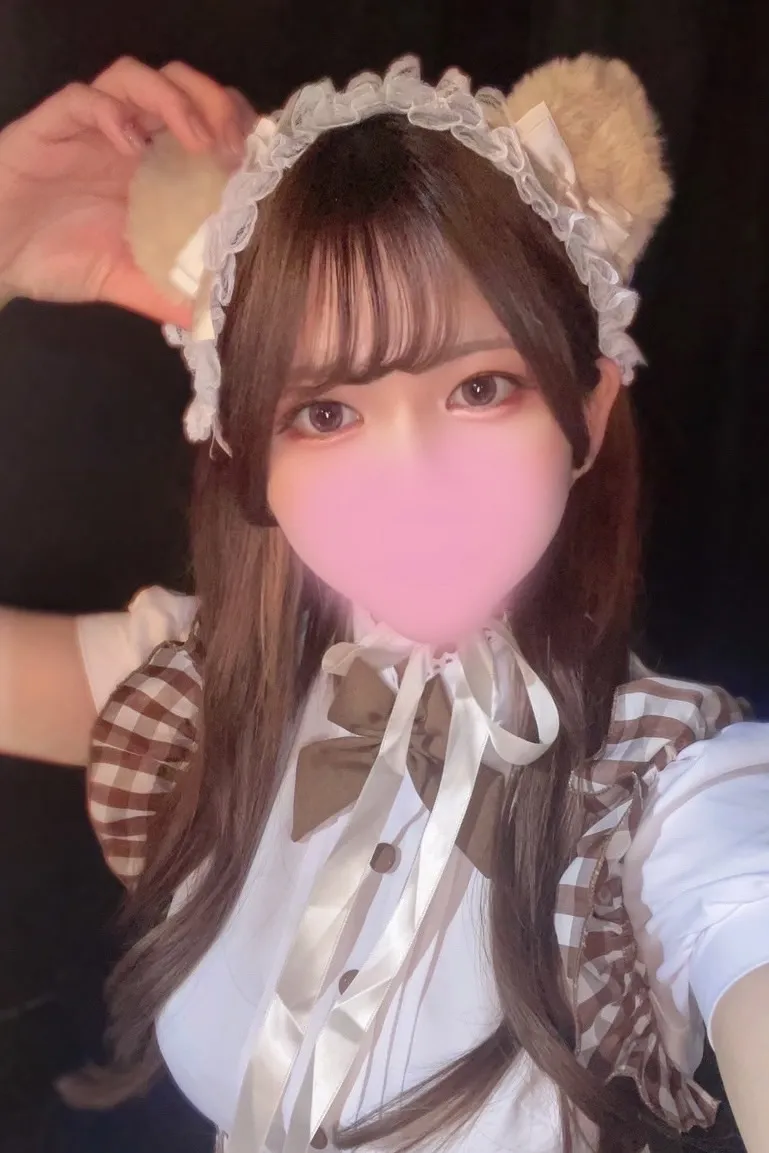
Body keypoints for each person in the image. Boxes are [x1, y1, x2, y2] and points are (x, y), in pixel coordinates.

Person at [0, 51, 768, 1153]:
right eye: (324, 411)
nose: (411, 479)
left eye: (480, 387)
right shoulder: (202, 691)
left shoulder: (670, 791)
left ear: (588, 413)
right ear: (246, 449)